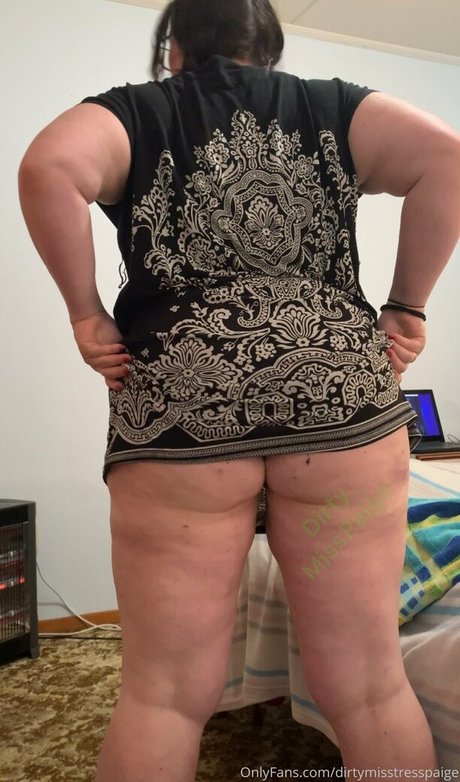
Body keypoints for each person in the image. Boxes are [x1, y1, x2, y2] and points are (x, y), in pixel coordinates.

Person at [18, 0, 460, 779]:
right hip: (339, 397)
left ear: (174, 47)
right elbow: (449, 156)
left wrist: (86, 315)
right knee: (368, 684)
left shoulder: (135, 113)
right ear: (270, 47)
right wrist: (407, 307)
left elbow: (47, 167)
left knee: (162, 696)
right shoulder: (331, 108)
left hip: (184, 404)